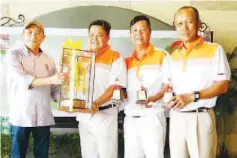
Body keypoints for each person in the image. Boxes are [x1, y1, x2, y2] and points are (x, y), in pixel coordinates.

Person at [167, 6, 231, 158]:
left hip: (200, 117)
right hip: (176, 118)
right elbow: (169, 85)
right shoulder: (173, 55)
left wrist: (192, 96)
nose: (184, 27)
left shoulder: (214, 50)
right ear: (175, 26)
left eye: (189, 21)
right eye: (179, 23)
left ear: (198, 23)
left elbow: (223, 85)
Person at [5, 20, 64, 158]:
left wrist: (67, 96)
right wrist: (51, 80)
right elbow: (24, 81)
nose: (33, 36)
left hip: (43, 116)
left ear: (43, 37)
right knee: (18, 155)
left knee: (42, 155)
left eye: (38, 33)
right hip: (21, 116)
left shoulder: (49, 60)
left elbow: (55, 91)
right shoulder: (14, 55)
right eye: (29, 32)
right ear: (22, 35)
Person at [76, 20, 127, 158]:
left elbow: (115, 87)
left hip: (105, 113)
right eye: (91, 35)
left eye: (99, 35)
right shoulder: (81, 56)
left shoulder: (115, 57)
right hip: (84, 114)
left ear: (107, 37)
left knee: (106, 154)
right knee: (88, 154)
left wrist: (96, 103)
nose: (94, 38)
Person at [124, 15, 170, 158]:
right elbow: (121, 89)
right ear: (130, 34)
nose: (139, 34)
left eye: (143, 30)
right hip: (131, 118)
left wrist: (154, 97)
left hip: (152, 116)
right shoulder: (126, 61)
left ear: (150, 32)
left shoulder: (162, 55)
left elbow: (169, 84)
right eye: (135, 30)